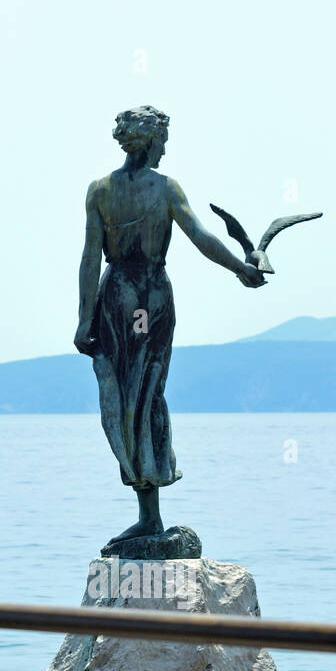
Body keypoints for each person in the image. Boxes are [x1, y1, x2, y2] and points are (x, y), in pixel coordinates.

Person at [74, 105, 264, 547]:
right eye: (163, 139)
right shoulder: (164, 188)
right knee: (142, 395)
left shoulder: (99, 190)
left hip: (117, 297)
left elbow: (89, 258)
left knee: (129, 398)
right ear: (151, 140)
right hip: (148, 297)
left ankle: (148, 514)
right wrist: (241, 268)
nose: (165, 148)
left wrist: (84, 317)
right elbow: (200, 236)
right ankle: (149, 515)